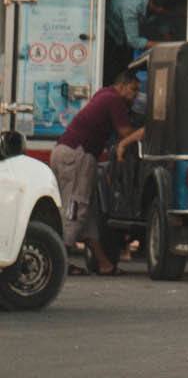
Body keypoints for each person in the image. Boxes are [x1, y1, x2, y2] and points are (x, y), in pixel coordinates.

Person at [51, 69, 143, 275]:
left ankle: (104, 263)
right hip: (78, 155)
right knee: (76, 207)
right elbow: (125, 133)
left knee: (88, 212)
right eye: (133, 90)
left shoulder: (102, 94)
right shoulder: (114, 100)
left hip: (65, 152)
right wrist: (146, 129)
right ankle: (59, 262)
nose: (135, 95)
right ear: (122, 85)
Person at [104, 0, 179, 56]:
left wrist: (169, 42)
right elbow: (133, 41)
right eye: (164, 11)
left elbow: (163, 21)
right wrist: (163, 46)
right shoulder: (131, 8)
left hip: (124, 30)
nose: (165, 13)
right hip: (110, 29)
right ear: (159, 9)